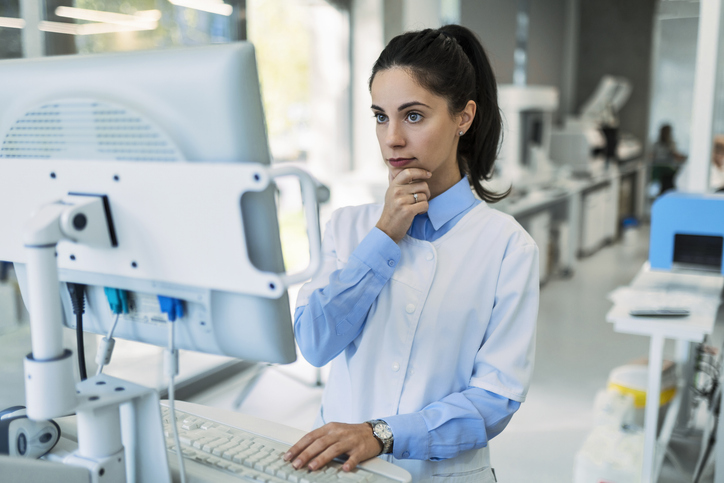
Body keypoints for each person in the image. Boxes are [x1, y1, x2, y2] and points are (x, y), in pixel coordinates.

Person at [284, 25, 539, 482]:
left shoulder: (507, 247)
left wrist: (381, 434)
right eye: (381, 116)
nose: (392, 139)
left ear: (463, 117)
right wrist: (384, 235)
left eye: (414, 116)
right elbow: (316, 344)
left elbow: (495, 399)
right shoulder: (349, 227)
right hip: (345, 472)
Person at [651, 124, 686, 195]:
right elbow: (652, 156)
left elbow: (676, 155)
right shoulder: (659, 144)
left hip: (664, 169)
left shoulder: (669, 144)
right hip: (662, 168)